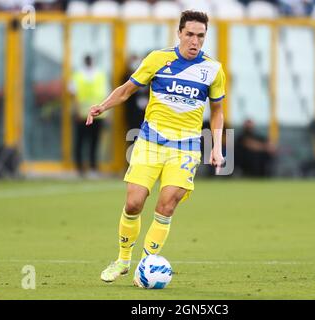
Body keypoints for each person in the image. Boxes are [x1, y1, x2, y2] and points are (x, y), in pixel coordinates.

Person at [86, 10, 226, 285]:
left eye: (200, 35)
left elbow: (218, 111)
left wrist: (217, 147)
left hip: (186, 147)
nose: (195, 41)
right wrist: (102, 105)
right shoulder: (158, 59)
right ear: (179, 33)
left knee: (167, 205)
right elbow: (127, 89)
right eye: (189, 34)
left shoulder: (213, 70)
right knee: (134, 202)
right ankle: (123, 260)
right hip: (150, 142)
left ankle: (147, 264)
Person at [70, 55, 108, 177]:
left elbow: (106, 95)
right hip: (82, 114)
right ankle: (79, 168)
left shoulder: (100, 75)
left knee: (94, 142)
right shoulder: (78, 75)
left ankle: (93, 167)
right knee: (80, 142)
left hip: (97, 115)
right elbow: (73, 94)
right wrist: (76, 111)